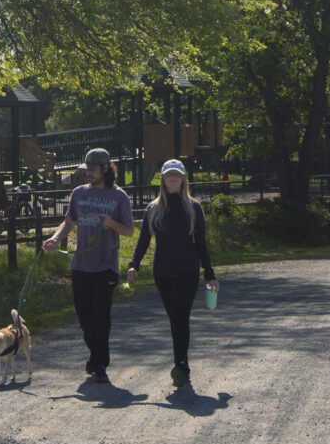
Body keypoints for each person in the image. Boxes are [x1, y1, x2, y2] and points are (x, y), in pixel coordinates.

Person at [42, 147, 134, 383]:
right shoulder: (78, 193)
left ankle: (101, 363)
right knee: (85, 317)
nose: (89, 174)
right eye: (87, 170)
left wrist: (108, 222)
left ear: (105, 168)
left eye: (93, 170)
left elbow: (129, 231)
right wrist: (55, 238)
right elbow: (68, 222)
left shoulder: (119, 196)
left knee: (101, 316)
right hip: (80, 265)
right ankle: (95, 356)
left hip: (106, 265)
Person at [127, 159, 220, 388]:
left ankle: (181, 366)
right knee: (175, 319)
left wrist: (209, 274)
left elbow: (201, 244)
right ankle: (181, 363)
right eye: (169, 174)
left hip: (188, 270)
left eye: (177, 174)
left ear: (183, 179)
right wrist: (134, 264)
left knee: (180, 316)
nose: (173, 177)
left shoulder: (193, 207)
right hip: (163, 271)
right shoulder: (153, 208)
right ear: (163, 179)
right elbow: (143, 241)